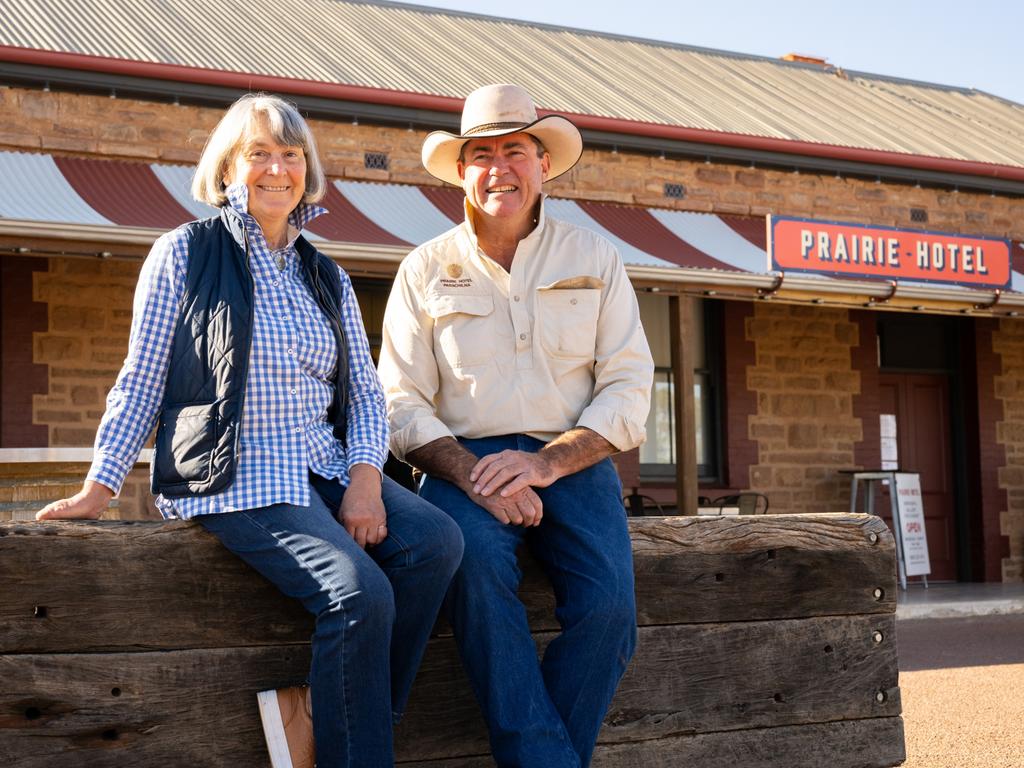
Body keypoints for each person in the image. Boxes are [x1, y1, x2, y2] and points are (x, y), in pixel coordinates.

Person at [36, 93, 463, 768]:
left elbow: (363, 395)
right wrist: (101, 484)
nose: (277, 168)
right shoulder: (186, 253)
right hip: (234, 474)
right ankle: (351, 746)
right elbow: (142, 374)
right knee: (359, 593)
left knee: (436, 541)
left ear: (306, 171)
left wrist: (365, 480)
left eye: (291, 154)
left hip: (321, 466)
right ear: (229, 167)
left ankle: (327, 714)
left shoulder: (325, 274)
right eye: (258, 152)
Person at [377, 83, 654, 768]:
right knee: (473, 583)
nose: (500, 168)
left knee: (611, 612)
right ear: (462, 171)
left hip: (573, 458)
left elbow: (628, 383)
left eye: (516, 151)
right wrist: (472, 473)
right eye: (482, 154)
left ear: (543, 164)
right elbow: (398, 401)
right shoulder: (423, 269)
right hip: (462, 462)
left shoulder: (595, 259)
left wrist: (548, 464)